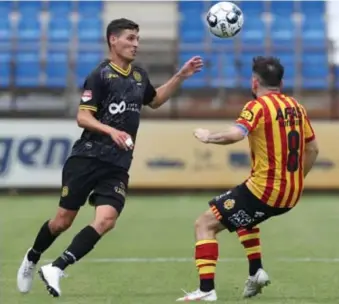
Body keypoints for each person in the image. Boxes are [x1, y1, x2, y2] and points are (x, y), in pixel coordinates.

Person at [17, 18, 203, 298]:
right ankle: (32, 258)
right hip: (87, 158)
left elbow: (154, 101)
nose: (135, 44)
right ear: (112, 40)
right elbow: (83, 116)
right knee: (62, 221)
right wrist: (111, 130)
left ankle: (56, 267)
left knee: (106, 220)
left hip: (117, 164)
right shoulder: (100, 76)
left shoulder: (139, 75)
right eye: (130, 38)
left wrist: (180, 76)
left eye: (137, 39)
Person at [176, 56, 319, 302]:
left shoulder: (257, 107)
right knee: (242, 215)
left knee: (205, 224)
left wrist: (209, 136)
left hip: (265, 191)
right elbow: (313, 149)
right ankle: (256, 271)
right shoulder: (297, 106)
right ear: (281, 83)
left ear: (255, 83)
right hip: (291, 194)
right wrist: (296, 179)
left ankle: (206, 289)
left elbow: (236, 134)